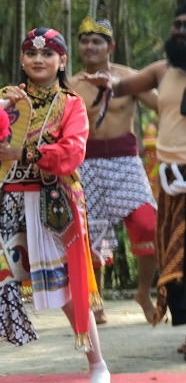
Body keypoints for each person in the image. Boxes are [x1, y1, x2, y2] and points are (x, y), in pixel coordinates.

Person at [87, 2, 186, 360]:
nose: (180, 31)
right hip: (173, 180)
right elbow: (123, 85)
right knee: (179, 254)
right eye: (177, 24)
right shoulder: (162, 71)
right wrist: (107, 83)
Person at [0, 28, 112, 383]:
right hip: (9, 201)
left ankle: (98, 364)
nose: (38, 59)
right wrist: (3, 109)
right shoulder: (7, 99)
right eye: (31, 53)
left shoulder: (70, 104)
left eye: (47, 53)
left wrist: (25, 154)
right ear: (22, 60)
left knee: (67, 289)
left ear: (62, 61)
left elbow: (73, 152)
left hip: (53, 204)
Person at [68, 18, 160, 324]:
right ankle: (96, 302)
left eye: (97, 41)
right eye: (84, 41)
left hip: (126, 162)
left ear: (111, 47)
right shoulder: (71, 85)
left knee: (147, 223)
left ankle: (143, 292)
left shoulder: (130, 78)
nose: (89, 46)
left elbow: (163, 106)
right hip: (86, 164)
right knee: (92, 234)